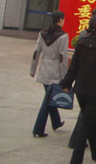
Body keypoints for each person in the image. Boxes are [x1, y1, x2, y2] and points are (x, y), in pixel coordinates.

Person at [61, 14, 96, 164]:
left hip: (81, 89)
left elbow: (74, 67)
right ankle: (76, 160)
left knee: (89, 118)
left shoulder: (82, 42)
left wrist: (66, 84)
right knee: (86, 124)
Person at [29, 10, 68, 138]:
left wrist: (32, 70)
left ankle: (56, 122)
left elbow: (36, 52)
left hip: (44, 69)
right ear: (60, 20)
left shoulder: (42, 33)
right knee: (47, 101)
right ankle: (38, 129)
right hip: (55, 71)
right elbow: (62, 58)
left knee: (50, 96)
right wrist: (65, 77)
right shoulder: (63, 36)